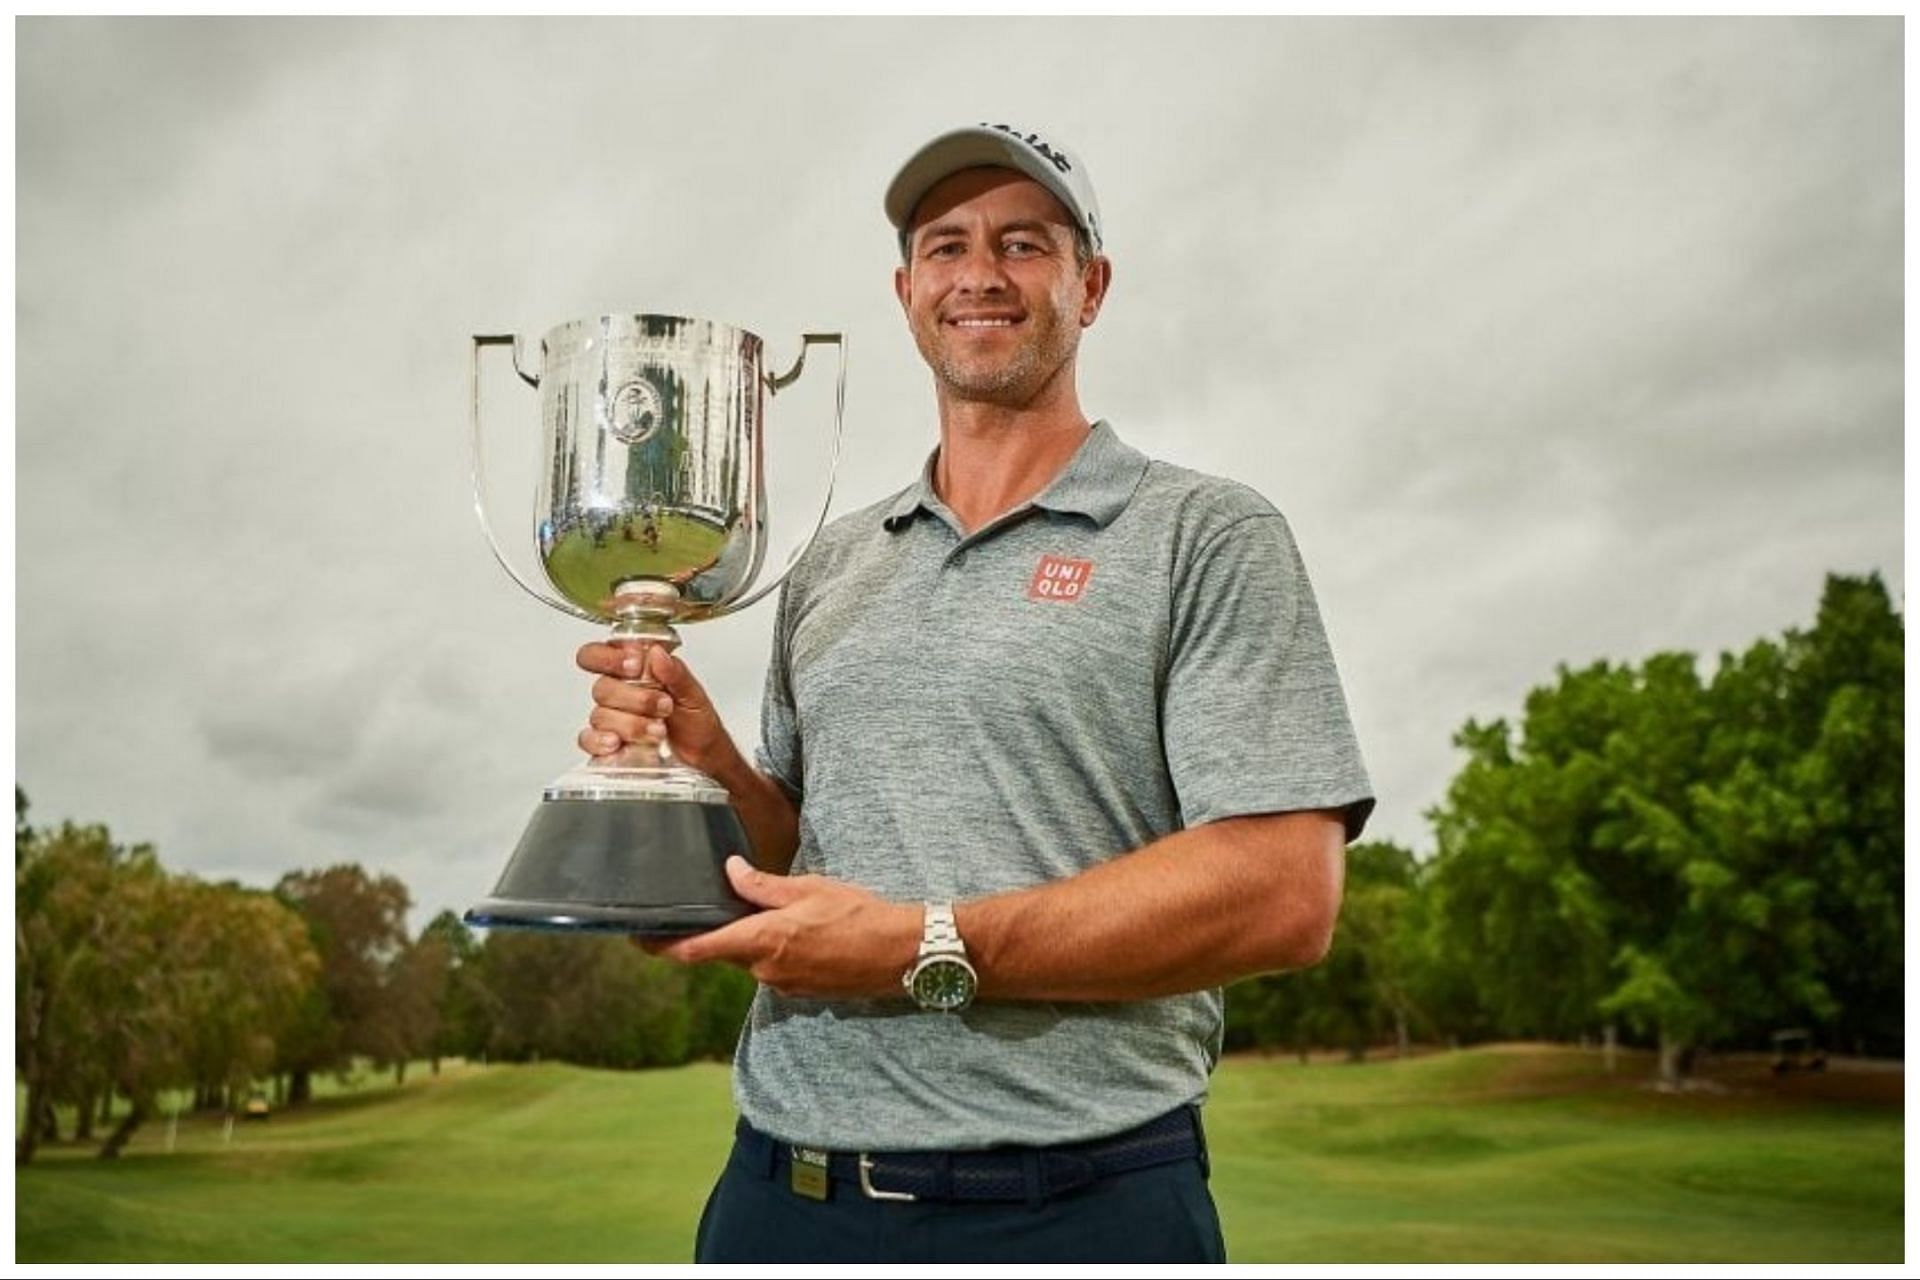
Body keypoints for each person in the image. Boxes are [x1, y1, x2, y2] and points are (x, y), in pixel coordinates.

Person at [575, 123, 1375, 1264]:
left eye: (1024, 243)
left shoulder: (1205, 534)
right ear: (907, 292)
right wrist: (707, 763)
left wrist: (923, 943)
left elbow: (1285, 891)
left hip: (1079, 1202)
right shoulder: (829, 564)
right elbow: (797, 860)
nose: (980, 274)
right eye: (945, 246)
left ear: (1090, 285)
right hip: (781, 1192)